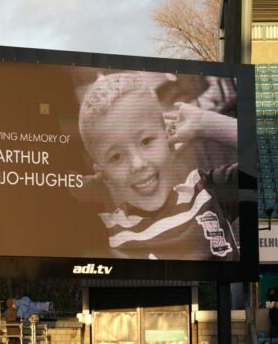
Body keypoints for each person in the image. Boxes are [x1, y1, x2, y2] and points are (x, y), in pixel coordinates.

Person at [78, 72, 239, 260]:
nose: (137, 164)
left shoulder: (207, 191)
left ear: (168, 135)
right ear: (103, 175)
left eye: (146, 141)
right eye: (116, 157)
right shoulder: (106, 231)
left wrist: (204, 122)